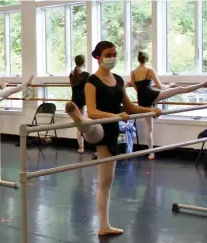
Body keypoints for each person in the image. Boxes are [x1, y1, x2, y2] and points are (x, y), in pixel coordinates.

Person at [65, 41, 162, 236]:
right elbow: (92, 110)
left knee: (106, 182)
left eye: (115, 54)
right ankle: (79, 120)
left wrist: (151, 110)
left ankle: (104, 226)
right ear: (98, 57)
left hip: (113, 130)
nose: (113, 57)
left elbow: (131, 107)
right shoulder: (91, 81)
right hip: (100, 124)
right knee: (93, 129)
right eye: (109, 54)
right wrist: (116, 116)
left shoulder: (118, 79)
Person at [129, 51, 207, 160]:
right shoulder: (149, 70)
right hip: (152, 96)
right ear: (146, 59)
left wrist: (148, 87)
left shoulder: (133, 72)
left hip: (142, 100)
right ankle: (205, 83)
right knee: (179, 89)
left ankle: (151, 153)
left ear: (138, 59)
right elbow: (162, 87)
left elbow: (137, 88)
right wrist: (171, 85)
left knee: (149, 128)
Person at [0, 58, 35, 143]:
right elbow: (2, 87)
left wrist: (2, 84)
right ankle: (27, 83)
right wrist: (5, 84)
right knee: (12, 89)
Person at [70, 54, 90, 153]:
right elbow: (86, 89)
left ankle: (81, 146)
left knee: (79, 123)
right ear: (84, 62)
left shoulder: (72, 73)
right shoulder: (86, 75)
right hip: (81, 100)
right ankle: (81, 146)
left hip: (74, 100)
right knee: (80, 124)